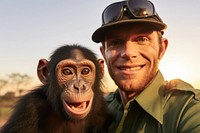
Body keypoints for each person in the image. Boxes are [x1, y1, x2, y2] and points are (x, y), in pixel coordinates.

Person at [92, 0, 200, 132]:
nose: (128, 53)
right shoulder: (97, 109)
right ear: (104, 54)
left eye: (142, 39)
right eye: (115, 42)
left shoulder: (188, 110)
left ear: (162, 48)